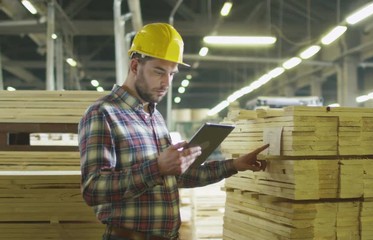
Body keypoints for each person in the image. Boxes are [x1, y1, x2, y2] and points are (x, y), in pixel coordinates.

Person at [78, 22, 269, 240]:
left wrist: (234, 165)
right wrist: (157, 167)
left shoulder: (155, 117)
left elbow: (177, 178)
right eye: (159, 72)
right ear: (134, 66)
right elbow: (93, 189)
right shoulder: (103, 113)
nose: (166, 82)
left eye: (171, 74)